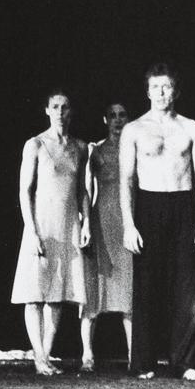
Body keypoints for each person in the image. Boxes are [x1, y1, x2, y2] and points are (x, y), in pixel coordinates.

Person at [119, 64, 195, 381]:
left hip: (183, 206)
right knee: (147, 285)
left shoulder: (191, 128)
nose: (161, 93)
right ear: (147, 92)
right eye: (155, 87)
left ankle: (186, 363)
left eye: (166, 87)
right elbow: (126, 180)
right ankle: (144, 363)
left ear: (176, 91)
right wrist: (129, 224)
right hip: (148, 205)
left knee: (187, 286)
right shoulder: (133, 130)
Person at [10, 91, 90, 376]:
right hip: (41, 224)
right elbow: (24, 190)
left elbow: (81, 191)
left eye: (65, 107)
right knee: (35, 293)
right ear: (46, 110)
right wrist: (31, 231)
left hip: (67, 225)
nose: (60, 112)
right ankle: (39, 358)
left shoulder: (80, 147)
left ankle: (44, 355)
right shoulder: (35, 144)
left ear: (71, 112)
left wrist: (86, 223)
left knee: (56, 295)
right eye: (55, 107)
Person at [82, 103, 133, 370]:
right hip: (102, 222)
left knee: (129, 293)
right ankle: (87, 355)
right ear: (104, 119)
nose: (117, 120)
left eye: (122, 115)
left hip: (127, 224)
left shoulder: (134, 147)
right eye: (112, 115)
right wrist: (86, 223)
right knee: (94, 292)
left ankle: (133, 355)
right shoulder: (95, 150)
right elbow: (87, 190)